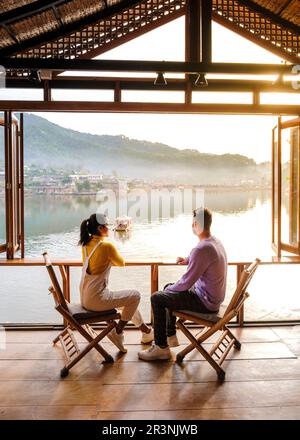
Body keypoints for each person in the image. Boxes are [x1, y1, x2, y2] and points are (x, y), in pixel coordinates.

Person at [138, 207, 227, 361]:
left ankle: (161, 348)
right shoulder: (215, 242)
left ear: (195, 224)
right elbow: (204, 260)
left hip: (206, 302)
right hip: (212, 297)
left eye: (193, 223)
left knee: (157, 298)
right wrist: (188, 259)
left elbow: (185, 283)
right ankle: (170, 334)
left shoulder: (201, 248)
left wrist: (171, 290)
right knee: (167, 288)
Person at [79, 213, 153, 353]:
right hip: (96, 300)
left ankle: (147, 332)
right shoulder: (106, 246)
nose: (110, 228)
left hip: (85, 297)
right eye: (107, 225)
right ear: (101, 228)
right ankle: (118, 331)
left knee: (128, 302)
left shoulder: (85, 244)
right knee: (135, 296)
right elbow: (121, 263)